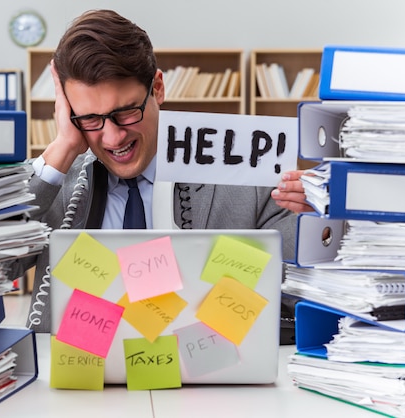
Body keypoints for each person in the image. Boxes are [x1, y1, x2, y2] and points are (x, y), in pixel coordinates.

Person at [23, 9, 307, 333]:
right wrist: (62, 149)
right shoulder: (54, 183)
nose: (114, 137)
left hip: (207, 373)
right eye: (90, 118)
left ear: (157, 88)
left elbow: (305, 292)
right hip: (78, 374)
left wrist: (323, 221)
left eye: (127, 111)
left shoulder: (245, 177)